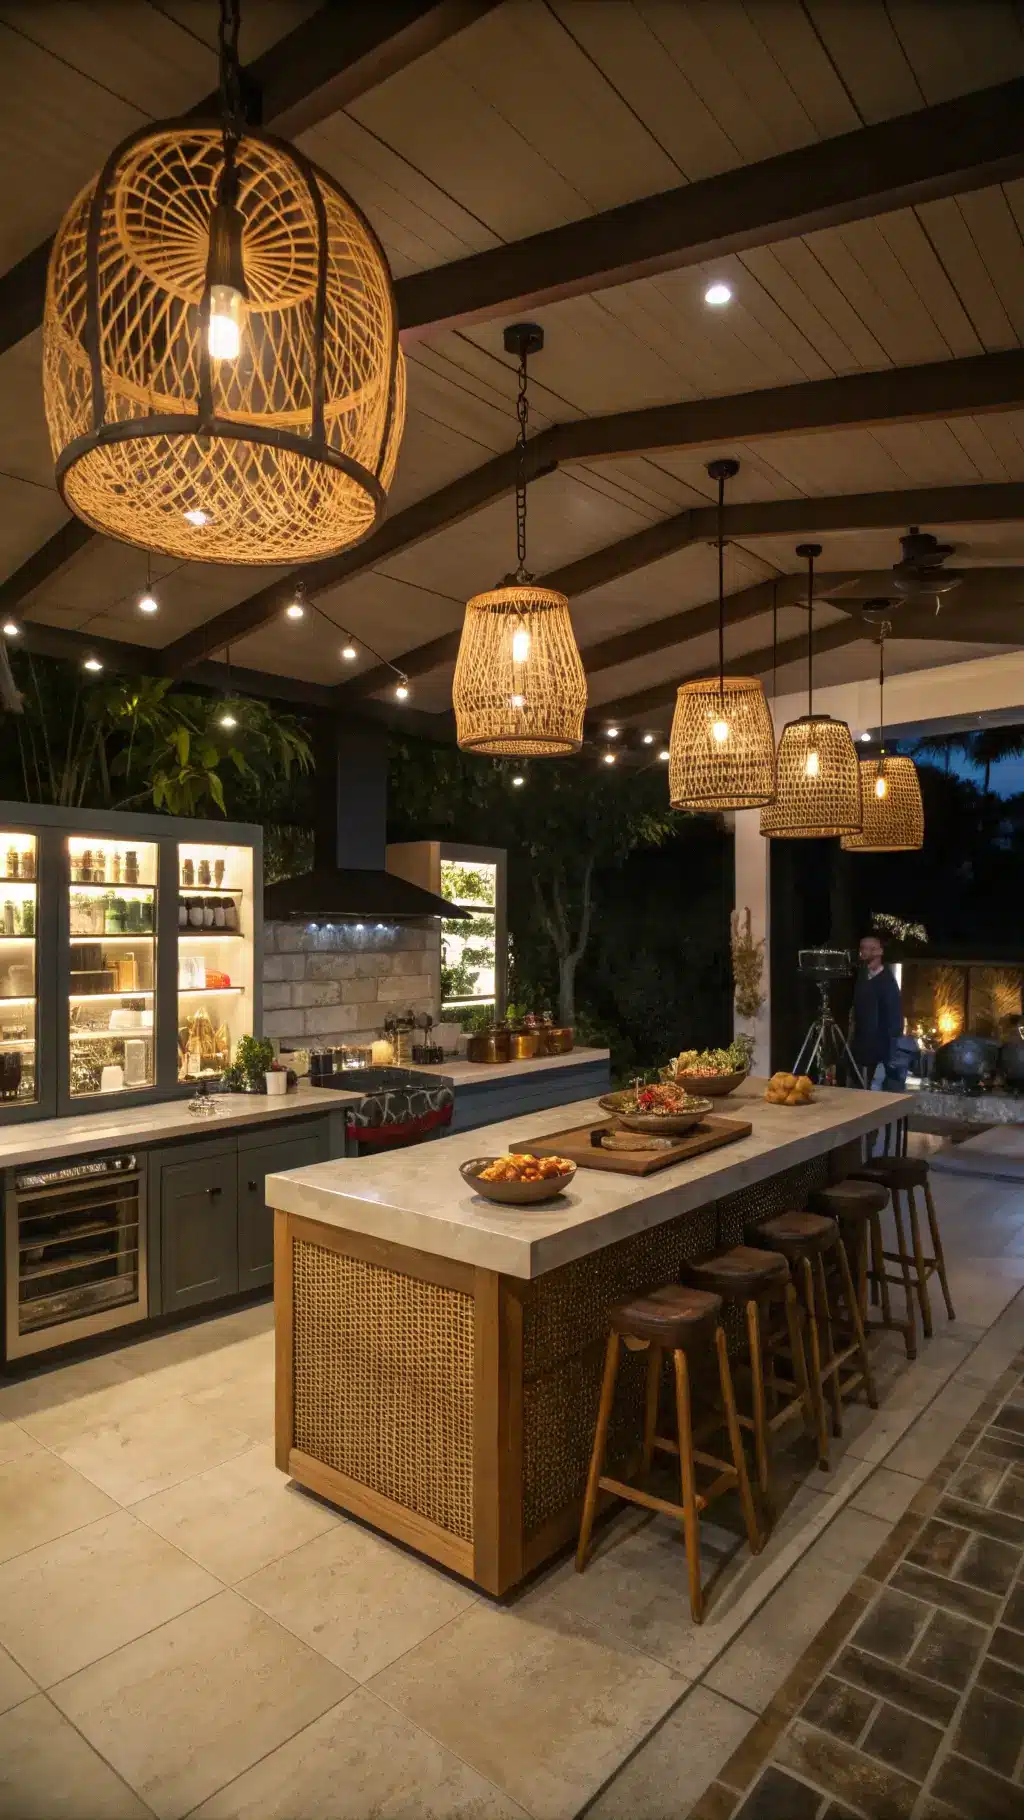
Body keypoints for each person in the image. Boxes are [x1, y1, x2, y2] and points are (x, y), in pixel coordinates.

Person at [850, 933, 903, 1090]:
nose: (864, 952)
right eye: (862, 948)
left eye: (869, 948)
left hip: (880, 1047)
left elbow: (894, 1018)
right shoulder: (861, 977)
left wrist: (890, 1051)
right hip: (861, 1042)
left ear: (879, 951)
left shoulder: (887, 982)